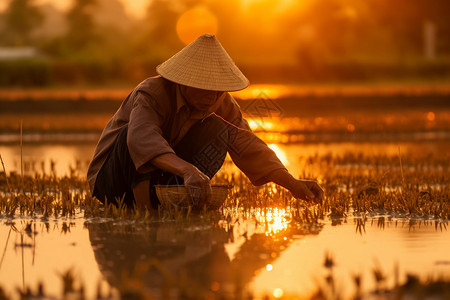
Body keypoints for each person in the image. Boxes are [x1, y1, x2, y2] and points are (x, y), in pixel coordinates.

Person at [87, 34, 323, 210]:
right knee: (133, 134)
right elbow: (141, 140)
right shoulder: (152, 92)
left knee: (220, 129)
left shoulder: (221, 102)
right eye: (204, 90)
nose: (212, 98)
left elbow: (248, 144)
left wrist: (292, 183)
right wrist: (188, 169)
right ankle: (145, 212)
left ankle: (178, 202)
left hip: (165, 179)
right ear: (183, 82)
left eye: (218, 91)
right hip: (113, 182)